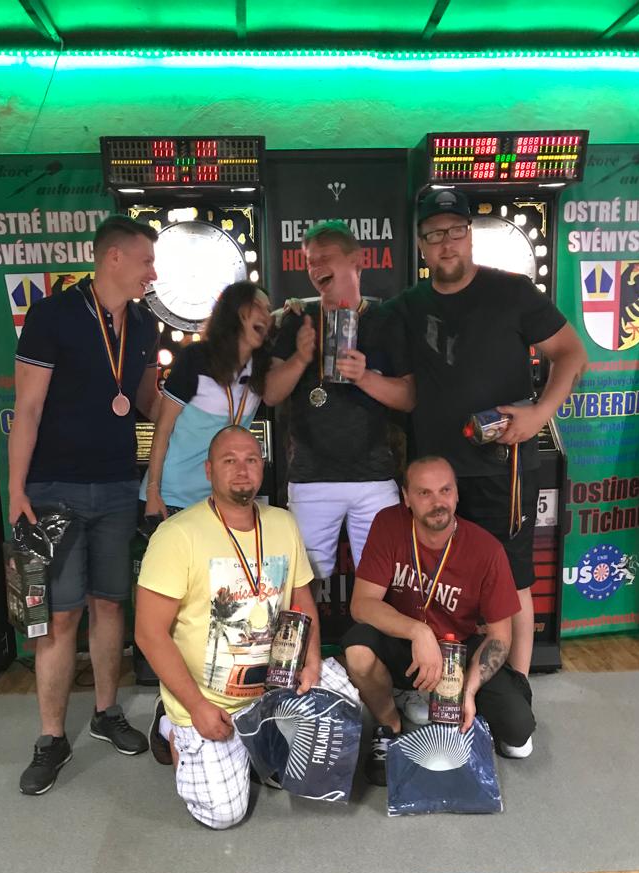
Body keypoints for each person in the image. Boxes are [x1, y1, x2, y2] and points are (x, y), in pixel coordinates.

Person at [384, 189, 587, 676]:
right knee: (435, 581)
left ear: (470, 234)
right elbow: (403, 385)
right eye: (435, 234)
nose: (447, 243)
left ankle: (517, 689)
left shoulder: (512, 291)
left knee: (511, 583)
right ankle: (445, 687)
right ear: (420, 244)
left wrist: (539, 414)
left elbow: (573, 354)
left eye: (456, 230)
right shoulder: (407, 307)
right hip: (436, 478)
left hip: (503, 469)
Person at [9, 214, 161, 796]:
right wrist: (17, 490)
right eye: (147, 261)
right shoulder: (52, 315)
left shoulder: (143, 323)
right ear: (114, 258)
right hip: (55, 489)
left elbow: (146, 399)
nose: (153, 273)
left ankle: (105, 711)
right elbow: (27, 409)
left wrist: (212, 404)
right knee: (60, 615)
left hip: (119, 486)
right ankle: (51, 736)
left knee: (110, 604)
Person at [135, 425, 321, 829]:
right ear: (209, 471)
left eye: (251, 460)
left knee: (336, 720)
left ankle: (255, 741)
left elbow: (302, 599)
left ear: (262, 467)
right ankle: (171, 724)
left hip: (272, 685)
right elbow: (148, 633)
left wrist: (312, 659)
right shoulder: (177, 535)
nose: (242, 469)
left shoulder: (283, 523)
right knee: (223, 814)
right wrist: (196, 708)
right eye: (229, 460)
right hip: (208, 700)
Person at [341, 456, 536, 786]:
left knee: (518, 730)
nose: (437, 503)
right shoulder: (389, 524)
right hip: (404, 642)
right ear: (406, 498)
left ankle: (441, 698)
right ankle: (390, 724)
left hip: (458, 649)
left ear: (457, 494)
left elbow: (500, 636)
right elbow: (362, 605)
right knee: (358, 649)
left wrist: (468, 691)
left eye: (445, 490)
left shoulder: (486, 549)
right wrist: (418, 632)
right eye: (424, 493)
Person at [263, 220, 415, 581]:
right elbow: (270, 392)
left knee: (382, 581)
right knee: (302, 583)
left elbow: (409, 398)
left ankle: (369, 626)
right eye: (310, 262)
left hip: (375, 479)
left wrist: (364, 377)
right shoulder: (298, 320)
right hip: (311, 478)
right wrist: (300, 358)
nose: (316, 268)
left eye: (325, 258)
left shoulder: (386, 320)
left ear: (356, 260)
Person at [140, 281, 273, 519]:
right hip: (173, 496)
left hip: (222, 499)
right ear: (234, 311)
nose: (265, 314)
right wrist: (153, 491)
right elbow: (163, 428)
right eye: (257, 305)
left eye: (268, 309)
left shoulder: (261, 366)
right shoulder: (197, 358)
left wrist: (294, 308)